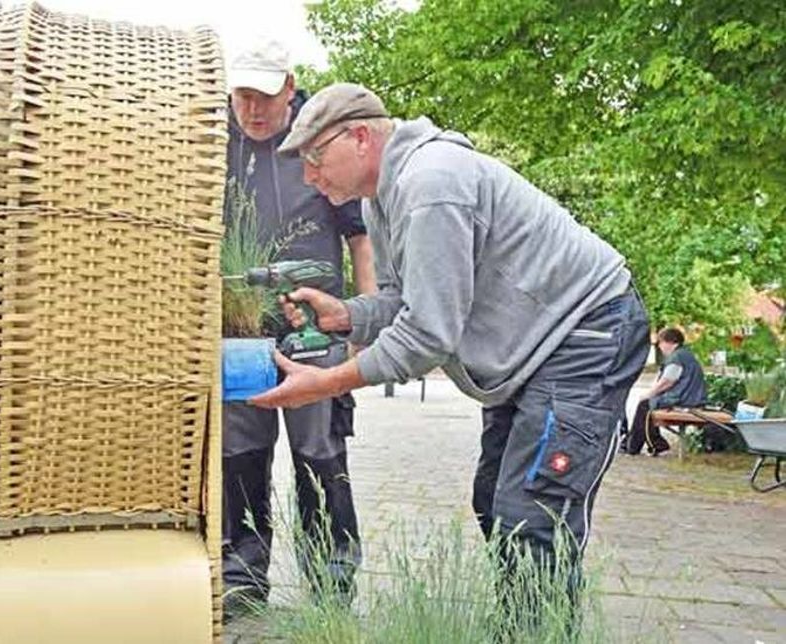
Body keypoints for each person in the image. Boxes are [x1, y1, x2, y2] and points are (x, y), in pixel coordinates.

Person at [251, 83, 650, 580]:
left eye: (314, 156)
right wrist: (347, 315)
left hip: (587, 331)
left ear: (359, 137)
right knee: (494, 500)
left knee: (533, 515)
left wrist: (325, 384)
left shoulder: (431, 183)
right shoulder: (381, 198)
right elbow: (405, 298)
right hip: (533, 346)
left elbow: (427, 334)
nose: (308, 177)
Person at [222, 44, 375, 616]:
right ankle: (242, 579)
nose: (253, 109)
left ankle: (332, 585)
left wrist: (361, 321)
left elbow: (361, 239)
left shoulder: (321, 139)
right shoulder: (214, 139)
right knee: (240, 454)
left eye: (264, 95)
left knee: (319, 453)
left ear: (290, 86)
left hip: (317, 331)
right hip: (239, 333)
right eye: (243, 95)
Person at [624, 327, 707, 455]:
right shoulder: (685, 354)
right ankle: (640, 444)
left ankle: (639, 446)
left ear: (671, 342)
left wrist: (649, 394)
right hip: (691, 397)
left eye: (660, 342)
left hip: (683, 400)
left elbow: (667, 381)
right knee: (647, 406)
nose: (660, 347)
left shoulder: (677, 357)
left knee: (645, 405)